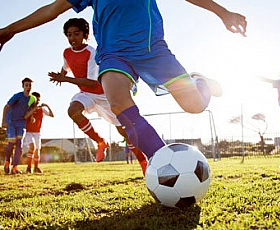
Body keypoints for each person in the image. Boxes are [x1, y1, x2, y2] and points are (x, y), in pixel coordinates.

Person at [0, 0, 247, 160]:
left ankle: (198, 82)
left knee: (195, 106)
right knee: (118, 103)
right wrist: (9, 29)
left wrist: (222, 12)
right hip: (113, 54)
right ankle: (161, 160)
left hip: (153, 50)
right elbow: (52, 10)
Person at [48, 18, 148, 173]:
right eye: (69, 35)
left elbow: (90, 82)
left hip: (104, 94)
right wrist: (60, 75)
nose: (72, 38)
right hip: (86, 94)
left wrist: (65, 79)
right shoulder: (66, 53)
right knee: (73, 110)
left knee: (123, 131)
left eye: (76, 34)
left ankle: (142, 161)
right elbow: (65, 67)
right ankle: (100, 142)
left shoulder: (91, 53)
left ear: (85, 35)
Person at [2, 77, 36, 174]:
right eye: (26, 85)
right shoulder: (17, 96)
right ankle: (7, 161)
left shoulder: (32, 98)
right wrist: (3, 121)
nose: (28, 87)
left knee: (19, 144)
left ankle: (15, 167)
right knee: (12, 141)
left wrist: (31, 117)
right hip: (11, 121)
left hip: (21, 123)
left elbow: (30, 109)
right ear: (23, 86)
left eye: (30, 85)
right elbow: (6, 107)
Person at [23, 92, 54, 174]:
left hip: (37, 132)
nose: (37, 101)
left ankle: (36, 167)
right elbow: (25, 117)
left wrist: (47, 106)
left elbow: (52, 115)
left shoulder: (41, 110)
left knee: (37, 149)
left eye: (39, 100)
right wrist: (32, 113)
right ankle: (29, 167)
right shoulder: (28, 109)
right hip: (29, 132)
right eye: (36, 99)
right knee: (32, 147)